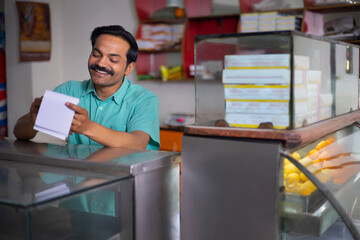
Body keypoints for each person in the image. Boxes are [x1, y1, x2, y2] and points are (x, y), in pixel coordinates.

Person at [13, 25, 160, 150]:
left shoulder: (144, 99)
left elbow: (138, 143)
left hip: (123, 180)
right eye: (96, 54)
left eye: (113, 59)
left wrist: (87, 127)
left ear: (129, 68)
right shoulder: (69, 90)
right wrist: (32, 121)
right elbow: (19, 132)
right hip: (77, 178)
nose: (101, 63)